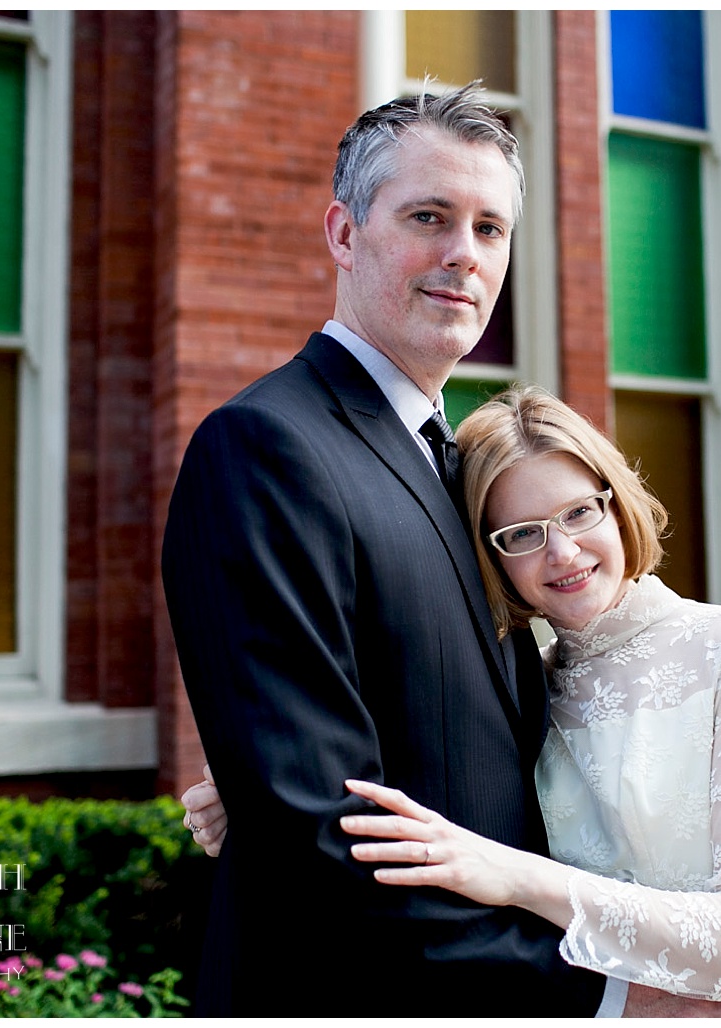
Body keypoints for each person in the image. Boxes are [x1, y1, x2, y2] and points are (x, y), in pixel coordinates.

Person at [161, 85, 615, 1016]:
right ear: (343, 232)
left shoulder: (469, 465)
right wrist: (597, 993)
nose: (463, 255)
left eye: (490, 229)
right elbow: (319, 839)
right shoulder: (265, 447)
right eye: (429, 217)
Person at [184, 386, 721, 1016]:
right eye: (523, 534)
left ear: (616, 504)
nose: (562, 552)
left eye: (578, 513)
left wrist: (516, 875)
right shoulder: (524, 687)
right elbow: (397, 797)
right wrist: (257, 790)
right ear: (491, 560)